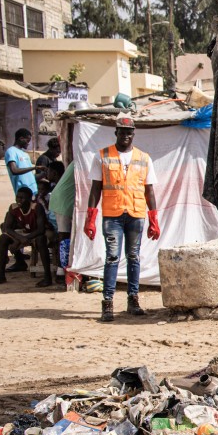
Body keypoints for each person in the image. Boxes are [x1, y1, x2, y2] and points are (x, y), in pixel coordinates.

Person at [84, 114, 160, 322]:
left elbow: (149, 190)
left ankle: (133, 300)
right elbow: (95, 189)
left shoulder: (144, 158)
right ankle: (107, 304)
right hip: (112, 215)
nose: (126, 135)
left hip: (136, 214)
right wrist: (90, 216)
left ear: (133, 133)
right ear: (116, 132)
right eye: (122, 131)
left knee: (134, 257)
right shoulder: (102, 155)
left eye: (129, 132)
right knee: (112, 257)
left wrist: (153, 218)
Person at [0, 186, 52, 286]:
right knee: (3, 238)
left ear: (29, 199)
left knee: (41, 240)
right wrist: (19, 239)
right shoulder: (13, 207)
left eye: (22, 198)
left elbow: (41, 229)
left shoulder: (36, 207)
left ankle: (47, 277)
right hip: (25, 233)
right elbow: (7, 228)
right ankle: (1, 275)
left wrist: (25, 238)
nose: (19, 200)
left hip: (37, 233)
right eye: (17, 197)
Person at [3, 128, 38, 196]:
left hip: (33, 191)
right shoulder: (11, 151)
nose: (28, 143)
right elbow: (14, 170)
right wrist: (34, 168)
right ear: (21, 138)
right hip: (23, 193)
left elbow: (30, 176)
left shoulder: (25, 154)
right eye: (28, 141)